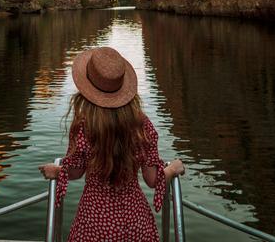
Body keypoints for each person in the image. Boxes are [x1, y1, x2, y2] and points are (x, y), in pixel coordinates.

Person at [39, 46, 185, 241]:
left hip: (93, 222)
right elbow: (152, 180)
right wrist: (172, 169)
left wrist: (57, 170)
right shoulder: (142, 126)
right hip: (135, 222)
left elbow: (75, 171)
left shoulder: (83, 126)